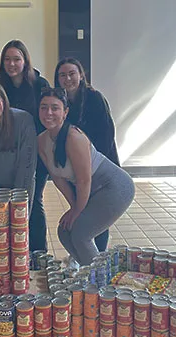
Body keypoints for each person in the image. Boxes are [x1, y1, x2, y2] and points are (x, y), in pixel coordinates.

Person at [38, 87, 135, 266]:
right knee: (65, 231)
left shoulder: (74, 137)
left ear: (65, 112)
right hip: (93, 190)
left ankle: (99, 285)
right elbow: (58, 178)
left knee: (81, 234)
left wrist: (77, 211)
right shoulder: (41, 141)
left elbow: (84, 180)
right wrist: (73, 207)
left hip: (115, 187)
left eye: (55, 108)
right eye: (43, 107)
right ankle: (87, 274)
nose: (48, 113)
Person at [55, 57, 120, 252]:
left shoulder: (94, 98)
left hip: (99, 165)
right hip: (76, 170)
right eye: (62, 75)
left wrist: (89, 163)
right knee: (82, 212)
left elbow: (107, 135)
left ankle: (98, 257)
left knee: (98, 216)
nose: (68, 79)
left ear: (81, 75)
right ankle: (83, 257)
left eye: (72, 74)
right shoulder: (60, 102)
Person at [0, 40, 50, 252]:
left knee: (33, 199)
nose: (12, 64)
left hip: (37, 152)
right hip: (9, 154)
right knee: (13, 201)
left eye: (16, 59)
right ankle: (17, 251)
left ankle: (39, 252)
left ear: (25, 61)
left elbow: (49, 117)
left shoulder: (40, 85)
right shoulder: (0, 87)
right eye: (7, 59)